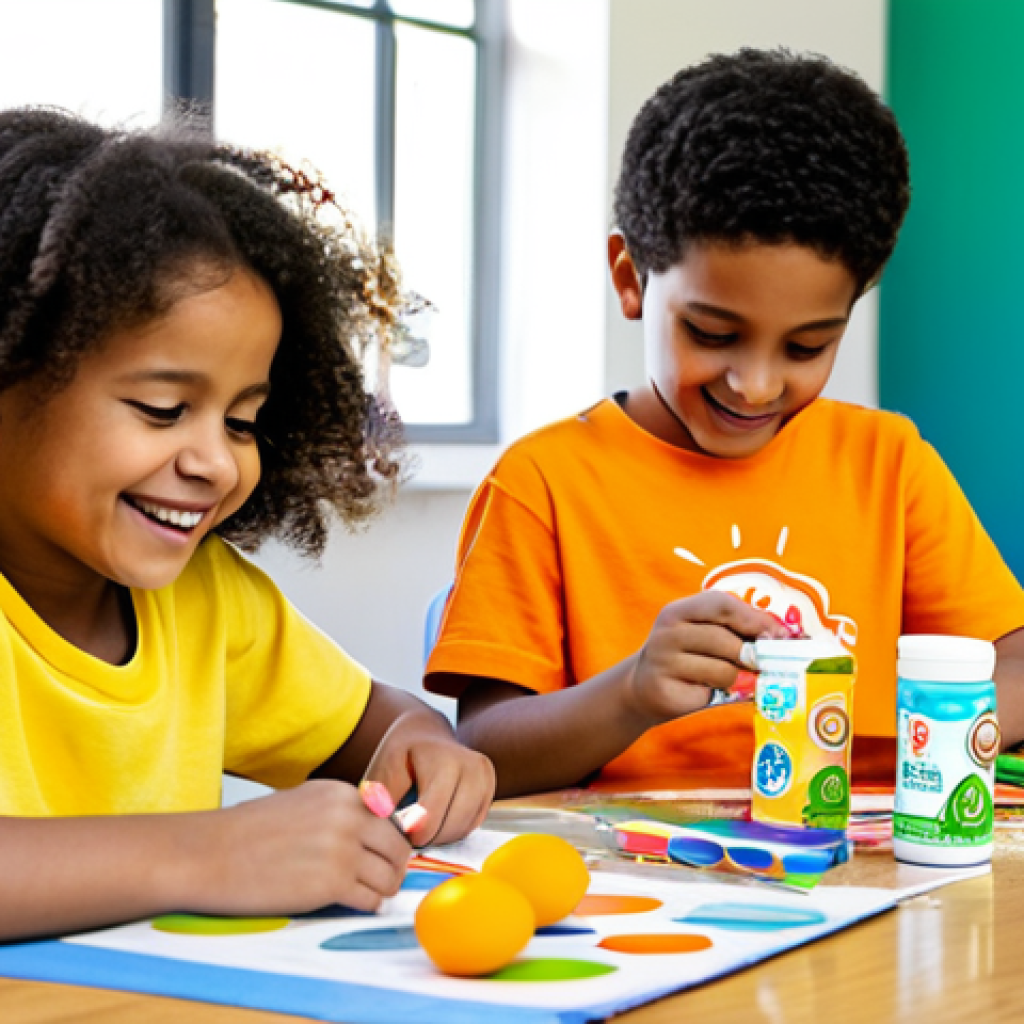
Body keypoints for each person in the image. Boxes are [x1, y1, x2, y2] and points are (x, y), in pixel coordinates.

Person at [425, 49, 1024, 798]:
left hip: (864, 861)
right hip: (635, 873)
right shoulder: (543, 482)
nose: (756, 384)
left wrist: (931, 729)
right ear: (629, 278)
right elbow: (482, 750)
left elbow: (1013, 659)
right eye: (711, 334)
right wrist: (632, 692)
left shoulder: (888, 462)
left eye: (808, 346)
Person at [0, 108, 494, 942]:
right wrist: (208, 853)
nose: (217, 463)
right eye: (163, 409)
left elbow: (383, 725)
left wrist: (424, 747)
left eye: (241, 422)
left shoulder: (211, 604)